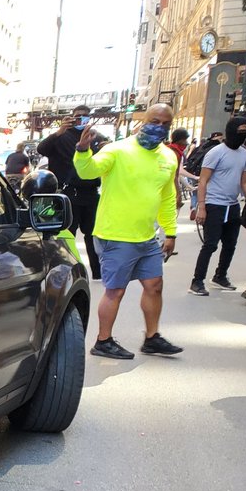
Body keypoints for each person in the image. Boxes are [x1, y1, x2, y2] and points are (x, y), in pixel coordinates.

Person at [73, 103, 184, 360]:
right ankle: (103, 341)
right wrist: (82, 151)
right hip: (116, 235)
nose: (159, 127)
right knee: (116, 290)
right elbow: (88, 170)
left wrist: (170, 232)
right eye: (154, 121)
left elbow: (167, 197)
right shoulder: (117, 150)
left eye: (165, 123)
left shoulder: (168, 157)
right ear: (143, 120)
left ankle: (152, 338)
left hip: (146, 236)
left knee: (155, 285)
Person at [190, 116, 246, 295]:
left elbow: (244, 181)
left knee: (230, 245)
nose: (243, 135)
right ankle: (197, 282)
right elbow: (203, 181)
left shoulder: (244, 153)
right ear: (231, 131)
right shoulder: (215, 152)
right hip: (214, 204)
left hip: (233, 205)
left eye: (245, 132)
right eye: (240, 131)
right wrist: (202, 207)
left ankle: (220, 276)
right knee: (210, 245)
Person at [37, 105, 102, 279]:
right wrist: (59, 131)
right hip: (67, 193)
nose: (81, 120)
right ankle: (66, 272)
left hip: (90, 193)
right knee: (65, 235)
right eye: (77, 117)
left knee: (93, 234)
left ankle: (97, 273)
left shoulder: (95, 137)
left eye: (85, 117)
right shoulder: (61, 137)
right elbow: (41, 149)